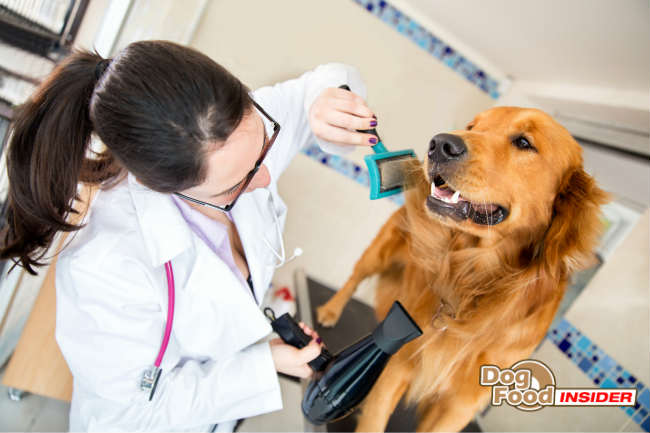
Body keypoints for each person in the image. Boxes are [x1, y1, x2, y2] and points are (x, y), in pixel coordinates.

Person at [0, 40, 379, 431]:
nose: (265, 177)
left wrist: (326, 102)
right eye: (237, 183)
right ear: (162, 186)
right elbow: (134, 413)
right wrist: (262, 366)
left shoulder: (231, 135)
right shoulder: (106, 266)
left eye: (264, 147)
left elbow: (330, 77)